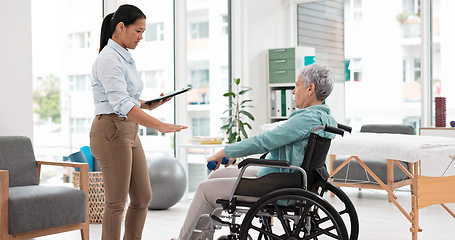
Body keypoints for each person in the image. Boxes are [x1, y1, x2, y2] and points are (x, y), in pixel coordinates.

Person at [174, 63, 338, 240]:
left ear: (310, 88)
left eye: (296, 85)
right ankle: (200, 236)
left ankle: (185, 239)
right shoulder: (324, 118)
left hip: (280, 182)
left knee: (205, 190)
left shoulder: (306, 119)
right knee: (215, 176)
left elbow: (265, 141)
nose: (292, 91)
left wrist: (227, 151)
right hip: (290, 176)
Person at [89, 4, 187, 240]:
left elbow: (126, 97)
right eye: (138, 31)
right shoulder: (108, 59)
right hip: (111, 130)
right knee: (115, 203)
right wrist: (159, 125)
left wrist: (149, 104)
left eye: (144, 32)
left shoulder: (124, 56)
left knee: (143, 197)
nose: (141, 37)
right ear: (121, 27)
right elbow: (121, 104)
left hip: (127, 130)